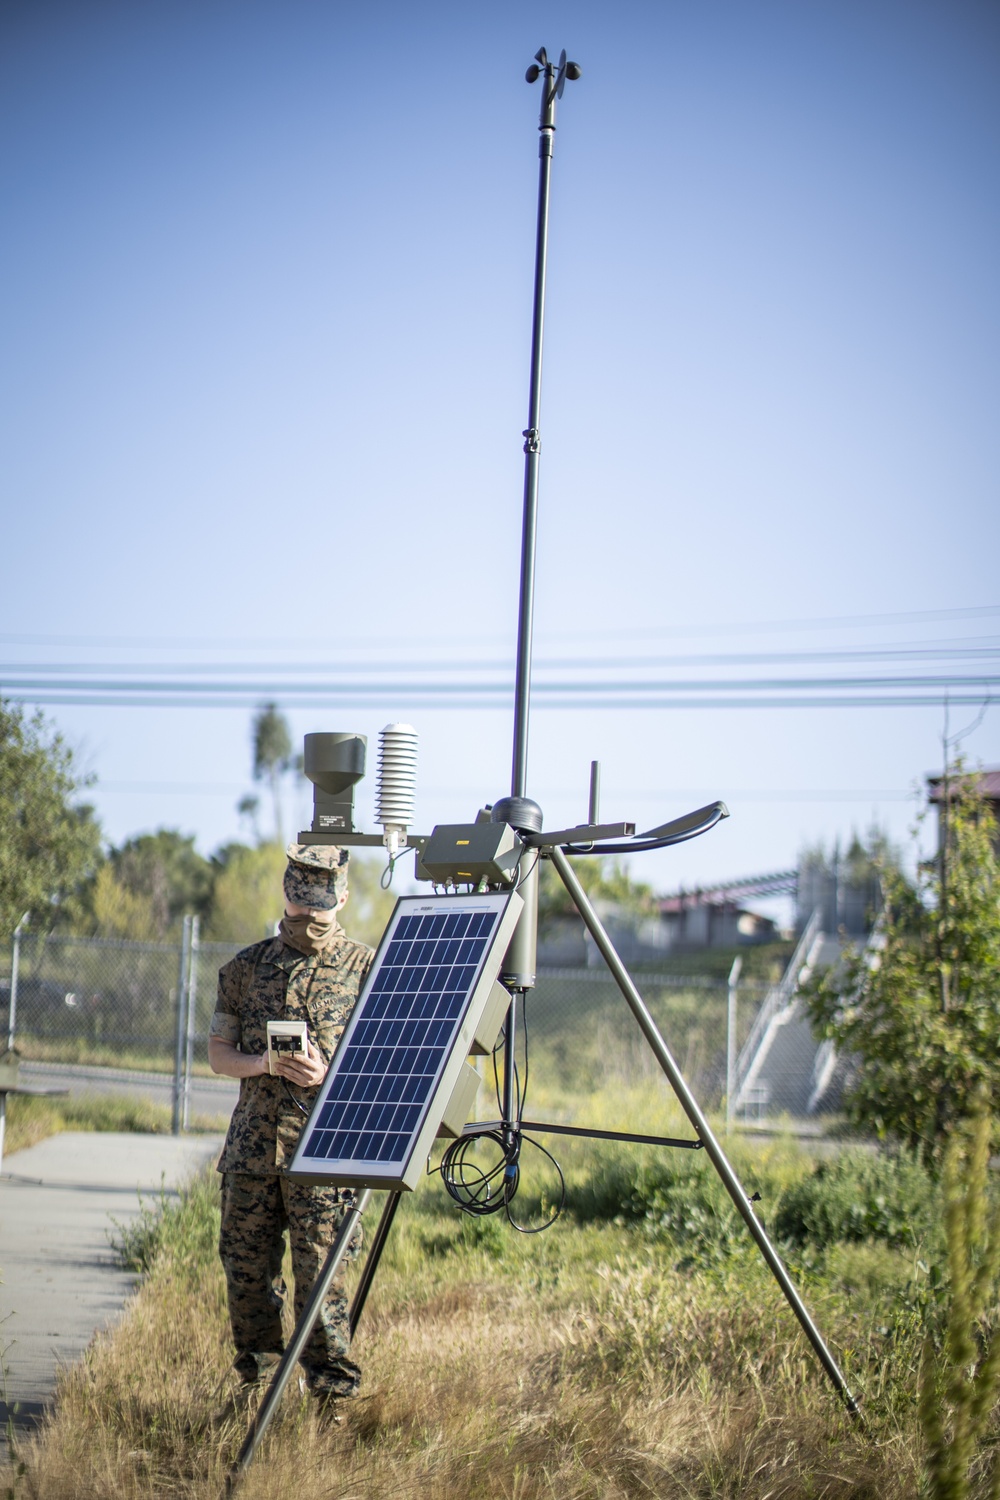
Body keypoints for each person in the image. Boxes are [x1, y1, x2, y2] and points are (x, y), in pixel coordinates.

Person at [208, 843, 372, 1404]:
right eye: (299, 909)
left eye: (319, 912)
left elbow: (386, 1063)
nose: (307, 921)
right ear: (285, 895)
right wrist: (263, 1064)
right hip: (253, 1155)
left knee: (323, 1283)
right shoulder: (243, 970)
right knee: (245, 1271)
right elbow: (217, 1054)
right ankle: (257, 1385)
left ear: (343, 898)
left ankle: (331, 1399)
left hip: (324, 1155)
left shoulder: (367, 970)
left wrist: (328, 1073)